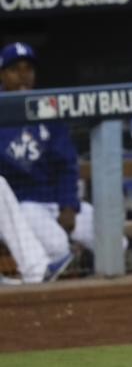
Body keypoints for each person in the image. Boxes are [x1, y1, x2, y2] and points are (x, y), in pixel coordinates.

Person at [0, 42, 89, 280]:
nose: (22, 75)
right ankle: (38, 275)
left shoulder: (47, 109)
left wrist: (68, 205)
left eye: (28, 69)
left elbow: (66, 165)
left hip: (53, 202)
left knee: (114, 240)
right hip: (23, 207)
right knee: (58, 248)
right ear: (2, 74)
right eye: (14, 69)